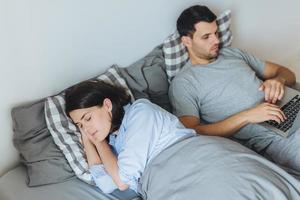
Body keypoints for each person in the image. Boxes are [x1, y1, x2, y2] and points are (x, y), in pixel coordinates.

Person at [168, 5, 300, 173]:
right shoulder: (184, 83)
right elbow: (192, 131)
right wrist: (248, 116)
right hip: (278, 139)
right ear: (186, 41)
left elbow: (288, 73)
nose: (216, 41)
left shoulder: (232, 54)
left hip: (292, 109)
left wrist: (278, 80)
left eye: (215, 33)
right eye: (206, 37)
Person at [64, 80, 196, 193]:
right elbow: (107, 185)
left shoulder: (140, 112)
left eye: (87, 118)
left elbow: (122, 182)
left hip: (189, 164)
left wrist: (99, 142)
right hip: (167, 186)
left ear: (107, 105)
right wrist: (93, 140)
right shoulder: (113, 143)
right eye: (80, 125)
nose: (86, 128)